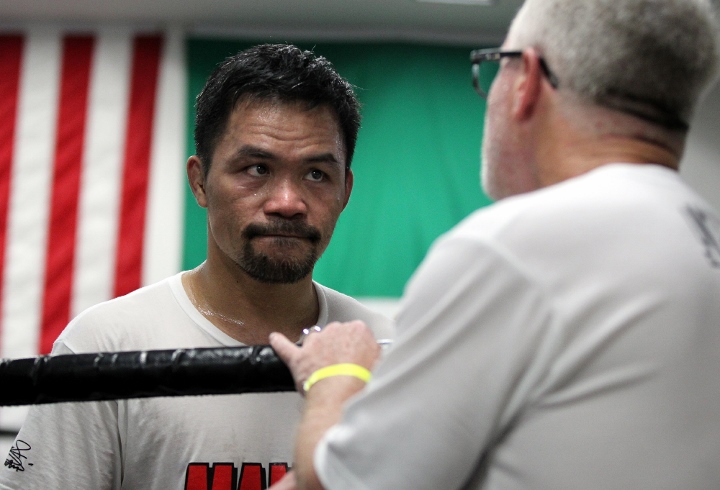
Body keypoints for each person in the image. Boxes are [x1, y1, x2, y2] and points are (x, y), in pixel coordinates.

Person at [268, 0, 720, 488]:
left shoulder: (511, 248)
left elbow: (342, 482)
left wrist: (335, 375)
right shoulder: (703, 237)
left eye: (494, 67)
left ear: (525, 79)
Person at [0, 44, 394, 490]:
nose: (288, 202)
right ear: (200, 181)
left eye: (316, 174)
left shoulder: (391, 353)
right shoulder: (103, 344)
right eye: (257, 168)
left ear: (345, 190)